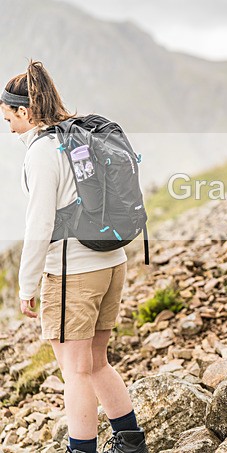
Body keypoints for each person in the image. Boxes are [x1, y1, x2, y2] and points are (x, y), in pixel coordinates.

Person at [1, 61, 147, 453]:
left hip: (74, 275)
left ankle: (81, 449)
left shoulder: (42, 152)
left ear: (25, 112)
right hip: (112, 261)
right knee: (97, 361)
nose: (8, 126)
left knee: (76, 371)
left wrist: (26, 285)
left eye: (8, 117)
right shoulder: (80, 136)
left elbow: (39, 224)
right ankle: (131, 442)